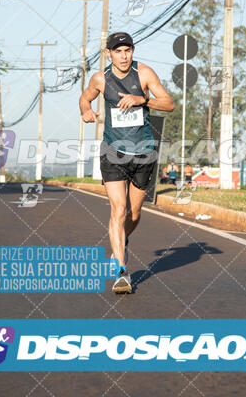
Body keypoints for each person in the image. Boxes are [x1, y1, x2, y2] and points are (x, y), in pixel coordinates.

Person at [80, 31, 175, 294]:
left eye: (127, 51)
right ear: (109, 54)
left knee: (133, 214)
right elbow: (85, 98)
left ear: (132, 51)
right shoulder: (100, 78)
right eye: (118, 51)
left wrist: (142, 99)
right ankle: (121, 270)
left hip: (143, 151)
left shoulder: (144, 73)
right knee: (118, 209)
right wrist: (86, 111)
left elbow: (169, 104)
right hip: (113, 151)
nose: (123, 56)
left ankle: (123, 241)